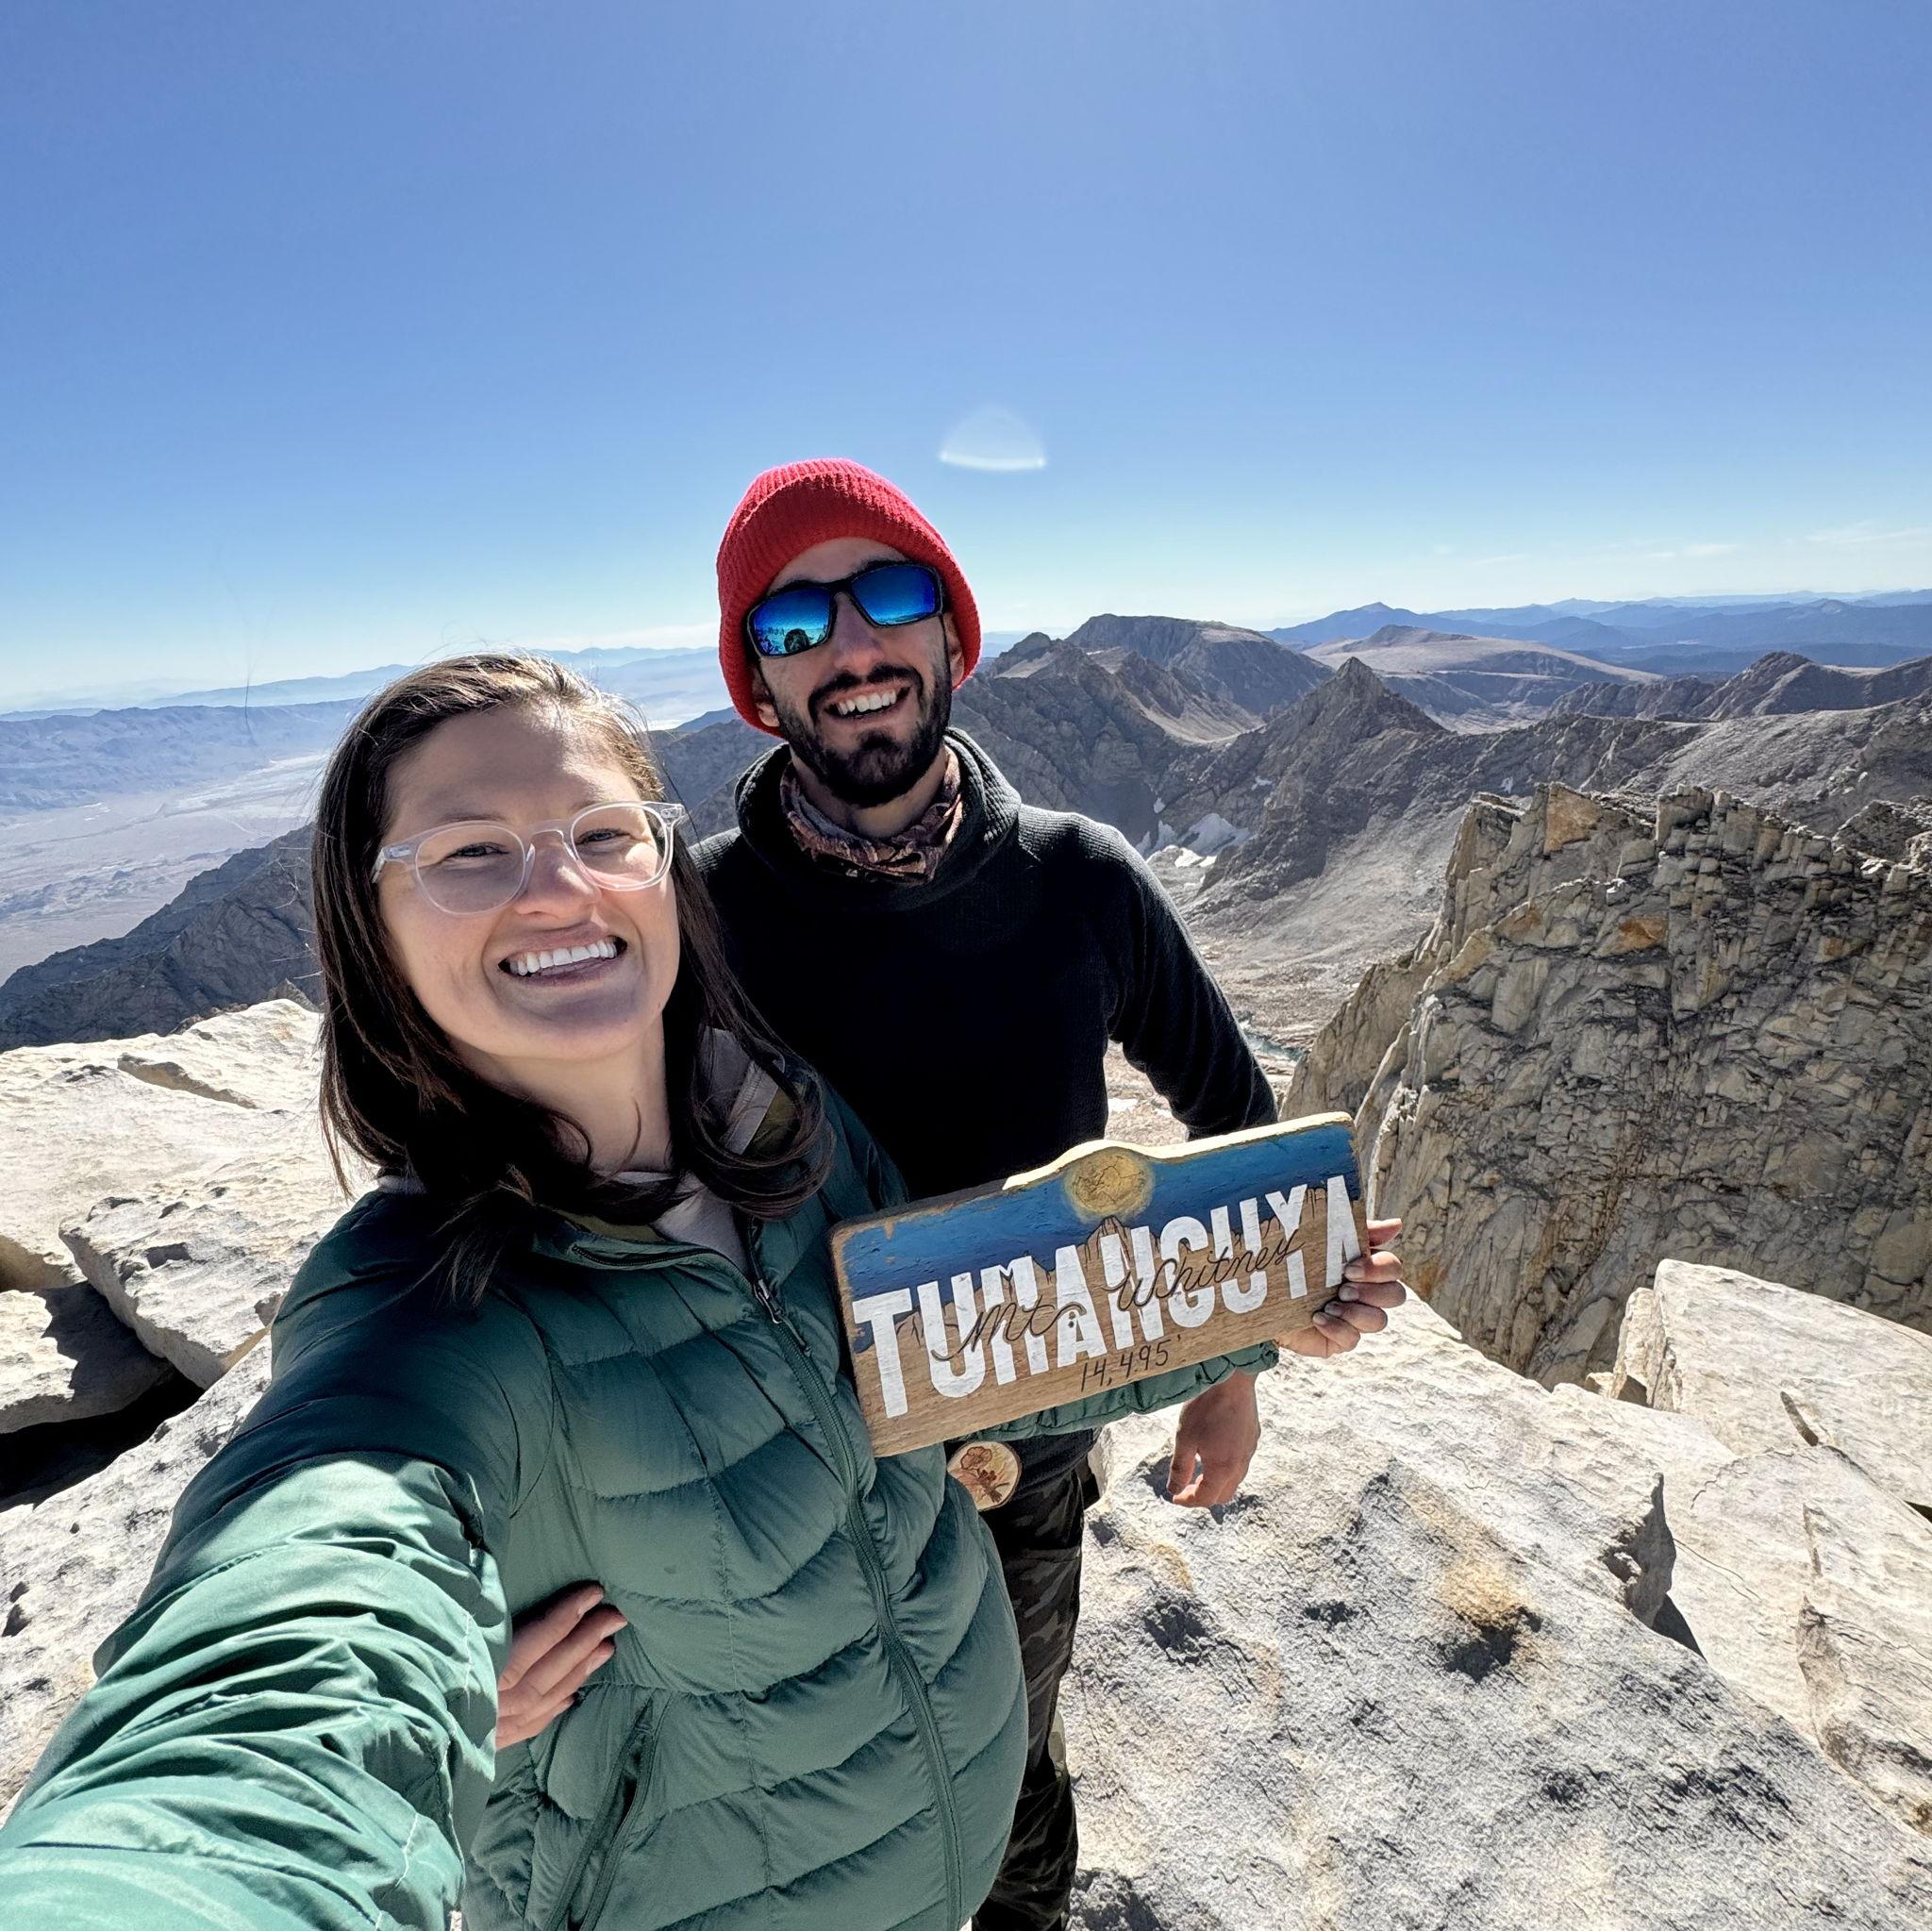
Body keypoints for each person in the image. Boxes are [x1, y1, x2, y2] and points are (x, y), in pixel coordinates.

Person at [0, 653, 1296, 1931]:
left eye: (601, 832)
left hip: (935, 1856)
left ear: (667, 873)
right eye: (470, 852)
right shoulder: (423, 1308)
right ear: (372, 929)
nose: (557, 885)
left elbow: (953, 1349)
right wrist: (432, 1695)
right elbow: (280, 1659)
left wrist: (1250, 1311)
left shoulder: (792, 1129)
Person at [691, 459, 1407, 1929]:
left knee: (1010, 1752)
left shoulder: (1080, 879)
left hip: (1027, 1452)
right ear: (758, 685)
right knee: (796, 1782)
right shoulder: (698, 916)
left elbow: (1239, 1129)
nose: (852, 647)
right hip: (785, 1460)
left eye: (889, 597)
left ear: (951, 636)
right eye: (794, 624)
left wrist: (1234, 1367)